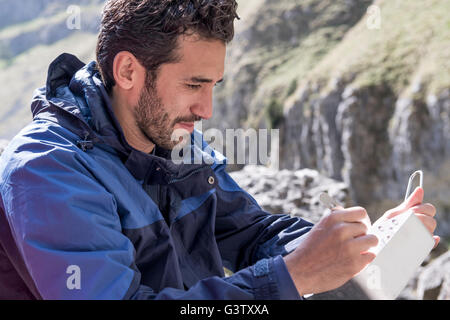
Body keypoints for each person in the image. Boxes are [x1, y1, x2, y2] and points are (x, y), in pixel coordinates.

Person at [0, 0, 439, 300]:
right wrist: (291, 277)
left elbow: (251, 234)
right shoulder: (47, 172)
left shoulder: (175, 139)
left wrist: (360, 246)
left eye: (213, 86)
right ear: (129, 70)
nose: (206, 110)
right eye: (193, 84)